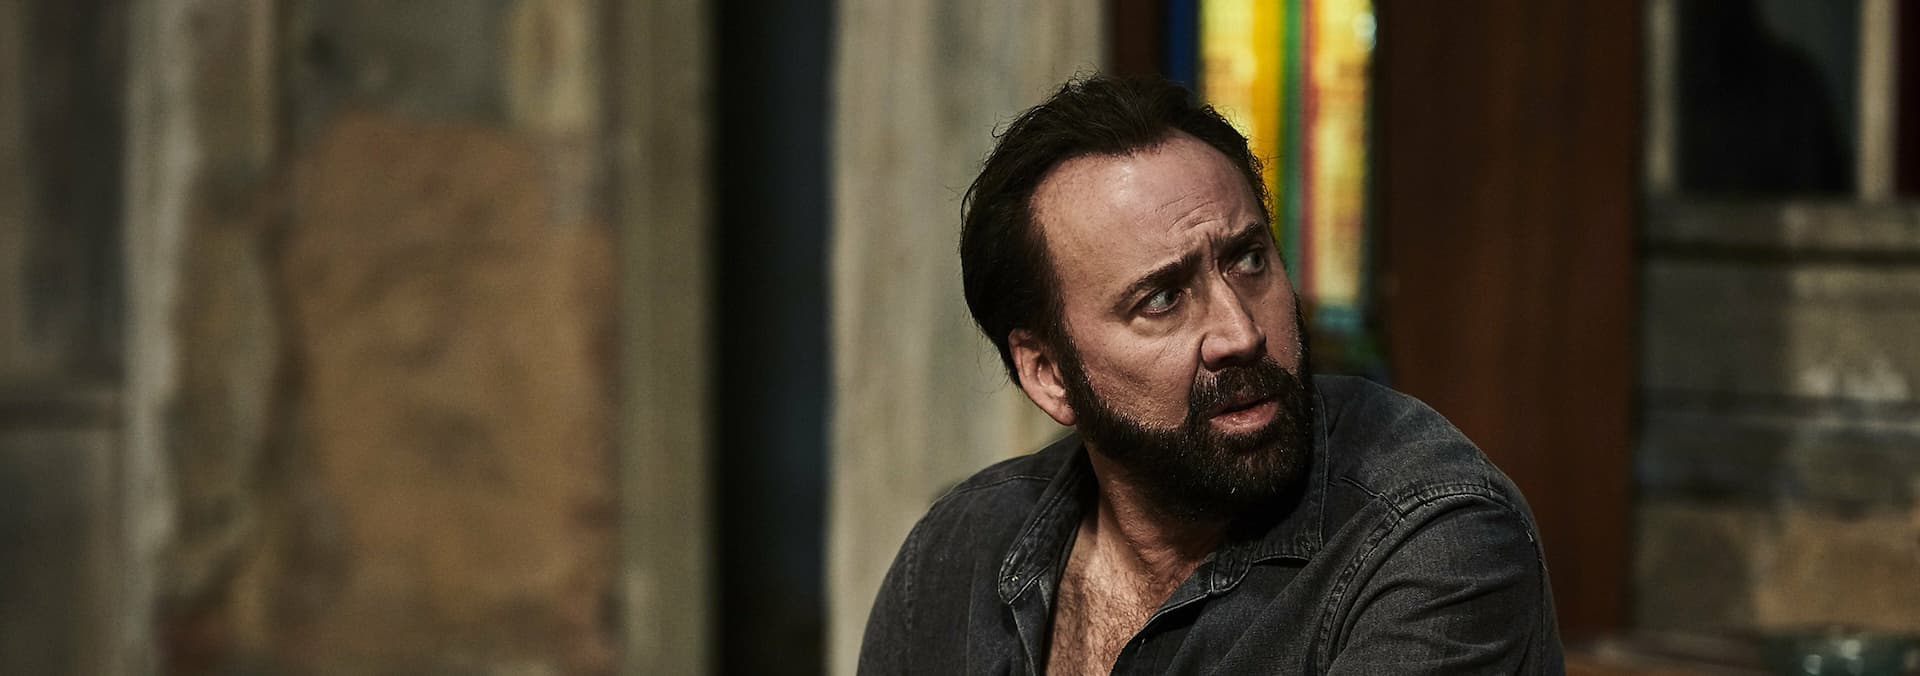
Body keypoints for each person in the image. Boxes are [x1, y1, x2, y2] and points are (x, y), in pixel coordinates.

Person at [856, 74, 1562, 674]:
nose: (1241, 334)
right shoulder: (954, 555)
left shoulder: (1432, 538)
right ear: (1049, 374)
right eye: (1162, 299)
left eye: (1248, 260)